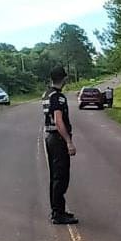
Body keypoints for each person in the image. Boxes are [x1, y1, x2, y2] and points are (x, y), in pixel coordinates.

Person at [43, 66, 78, 225]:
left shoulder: (47, 94)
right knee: (61, 177)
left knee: (55, 177)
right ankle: (58, 214)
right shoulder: (58, 97)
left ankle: (58, 210)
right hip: (58, 139)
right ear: (63, 79)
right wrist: (68, 142)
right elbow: (58, 120)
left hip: (50, 138)